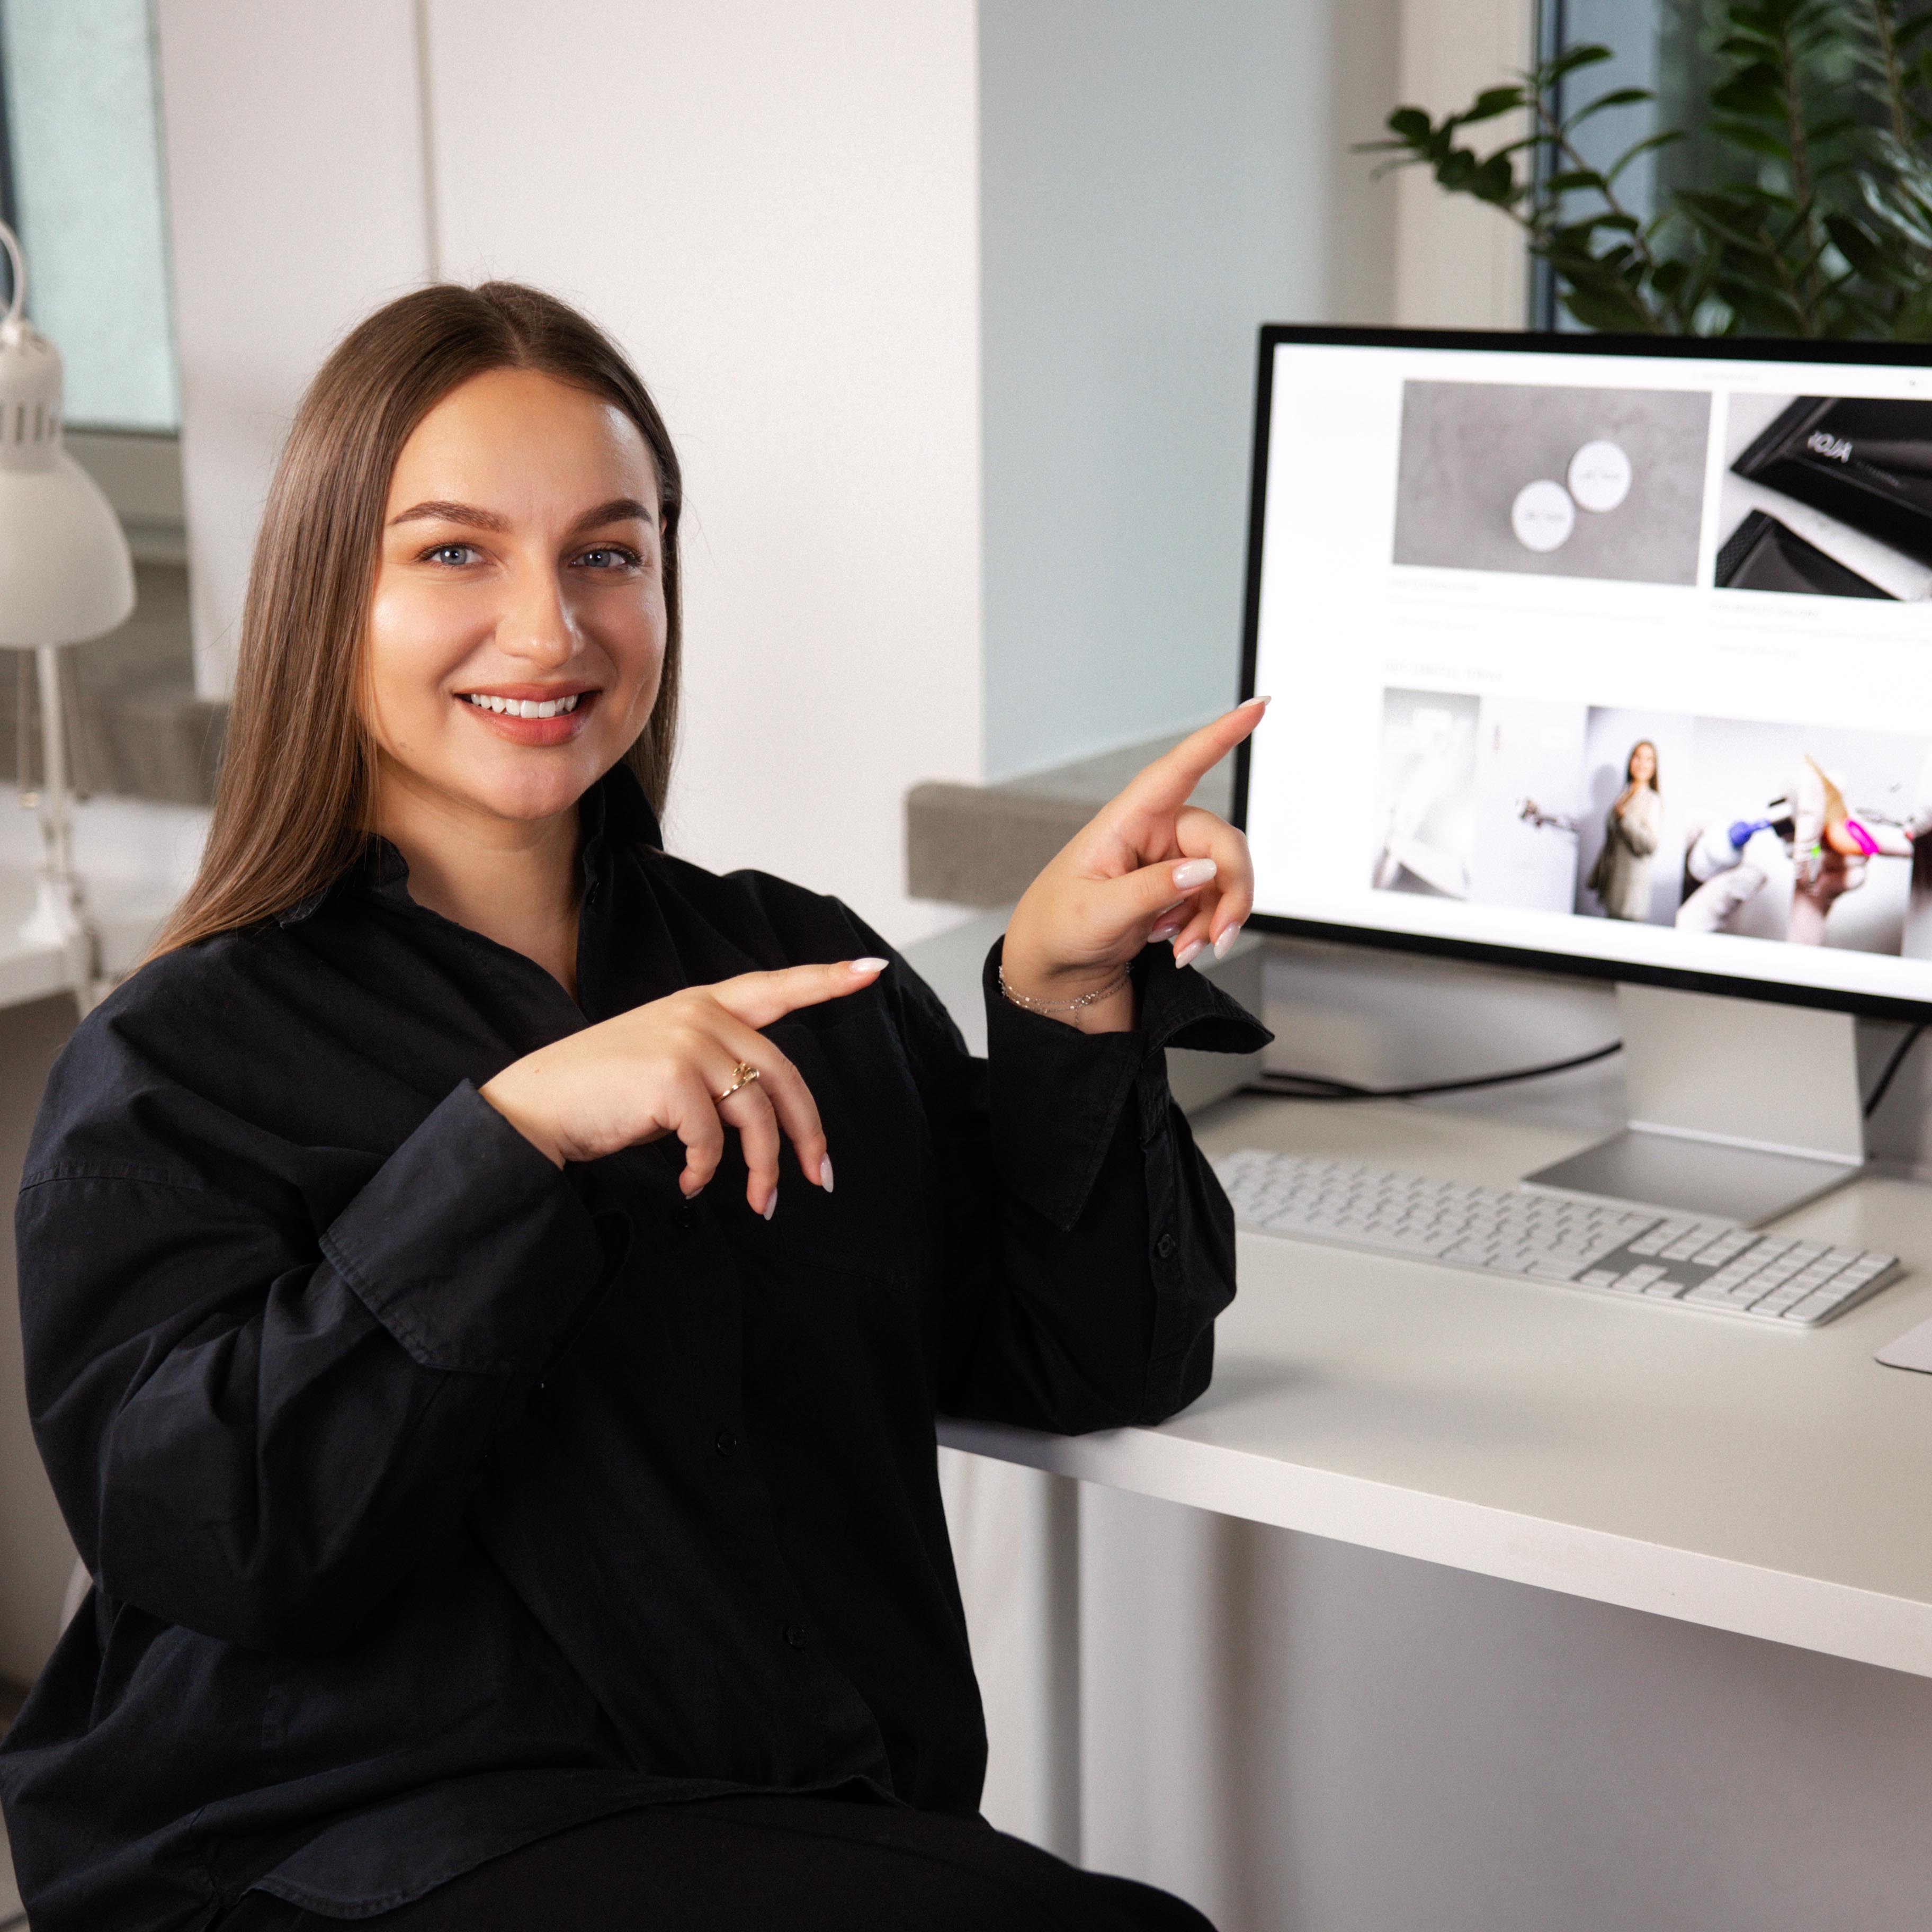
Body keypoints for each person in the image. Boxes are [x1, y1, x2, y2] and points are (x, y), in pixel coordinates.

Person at [0, 283, 1270, 1932]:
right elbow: (218, 1541)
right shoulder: (181, 1059)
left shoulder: (795, 970)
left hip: (776, 1821)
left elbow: (1102, 1354)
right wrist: (510, 1143)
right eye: (454, 552)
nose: (549, 630)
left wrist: (1063, 998)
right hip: (331, 1850)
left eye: (609, 553)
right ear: (330, 595)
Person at [1585, 738, 1662, 921]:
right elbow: (1610, 844)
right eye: (1638, 757)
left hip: (1631, 896)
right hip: (1612, 889)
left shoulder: (1652, 800)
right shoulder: (1624, 795)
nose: (1642, 764)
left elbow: (1650, 844)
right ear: (1630, 762)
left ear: (1654, 767)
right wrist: (1595, 878)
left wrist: (1625, 820)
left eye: (1649, 759)